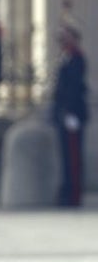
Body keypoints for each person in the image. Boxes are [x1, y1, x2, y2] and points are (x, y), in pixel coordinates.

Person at [52, 22, 88, 207]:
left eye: (65, 36)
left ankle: (73, 195)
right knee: (66, 155)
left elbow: (74, 88)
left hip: (72, 113)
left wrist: (70, 112)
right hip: (63, 113)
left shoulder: (76, 57)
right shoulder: (65, 56)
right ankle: (67, 190)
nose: (61, 40)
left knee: (73, 156)